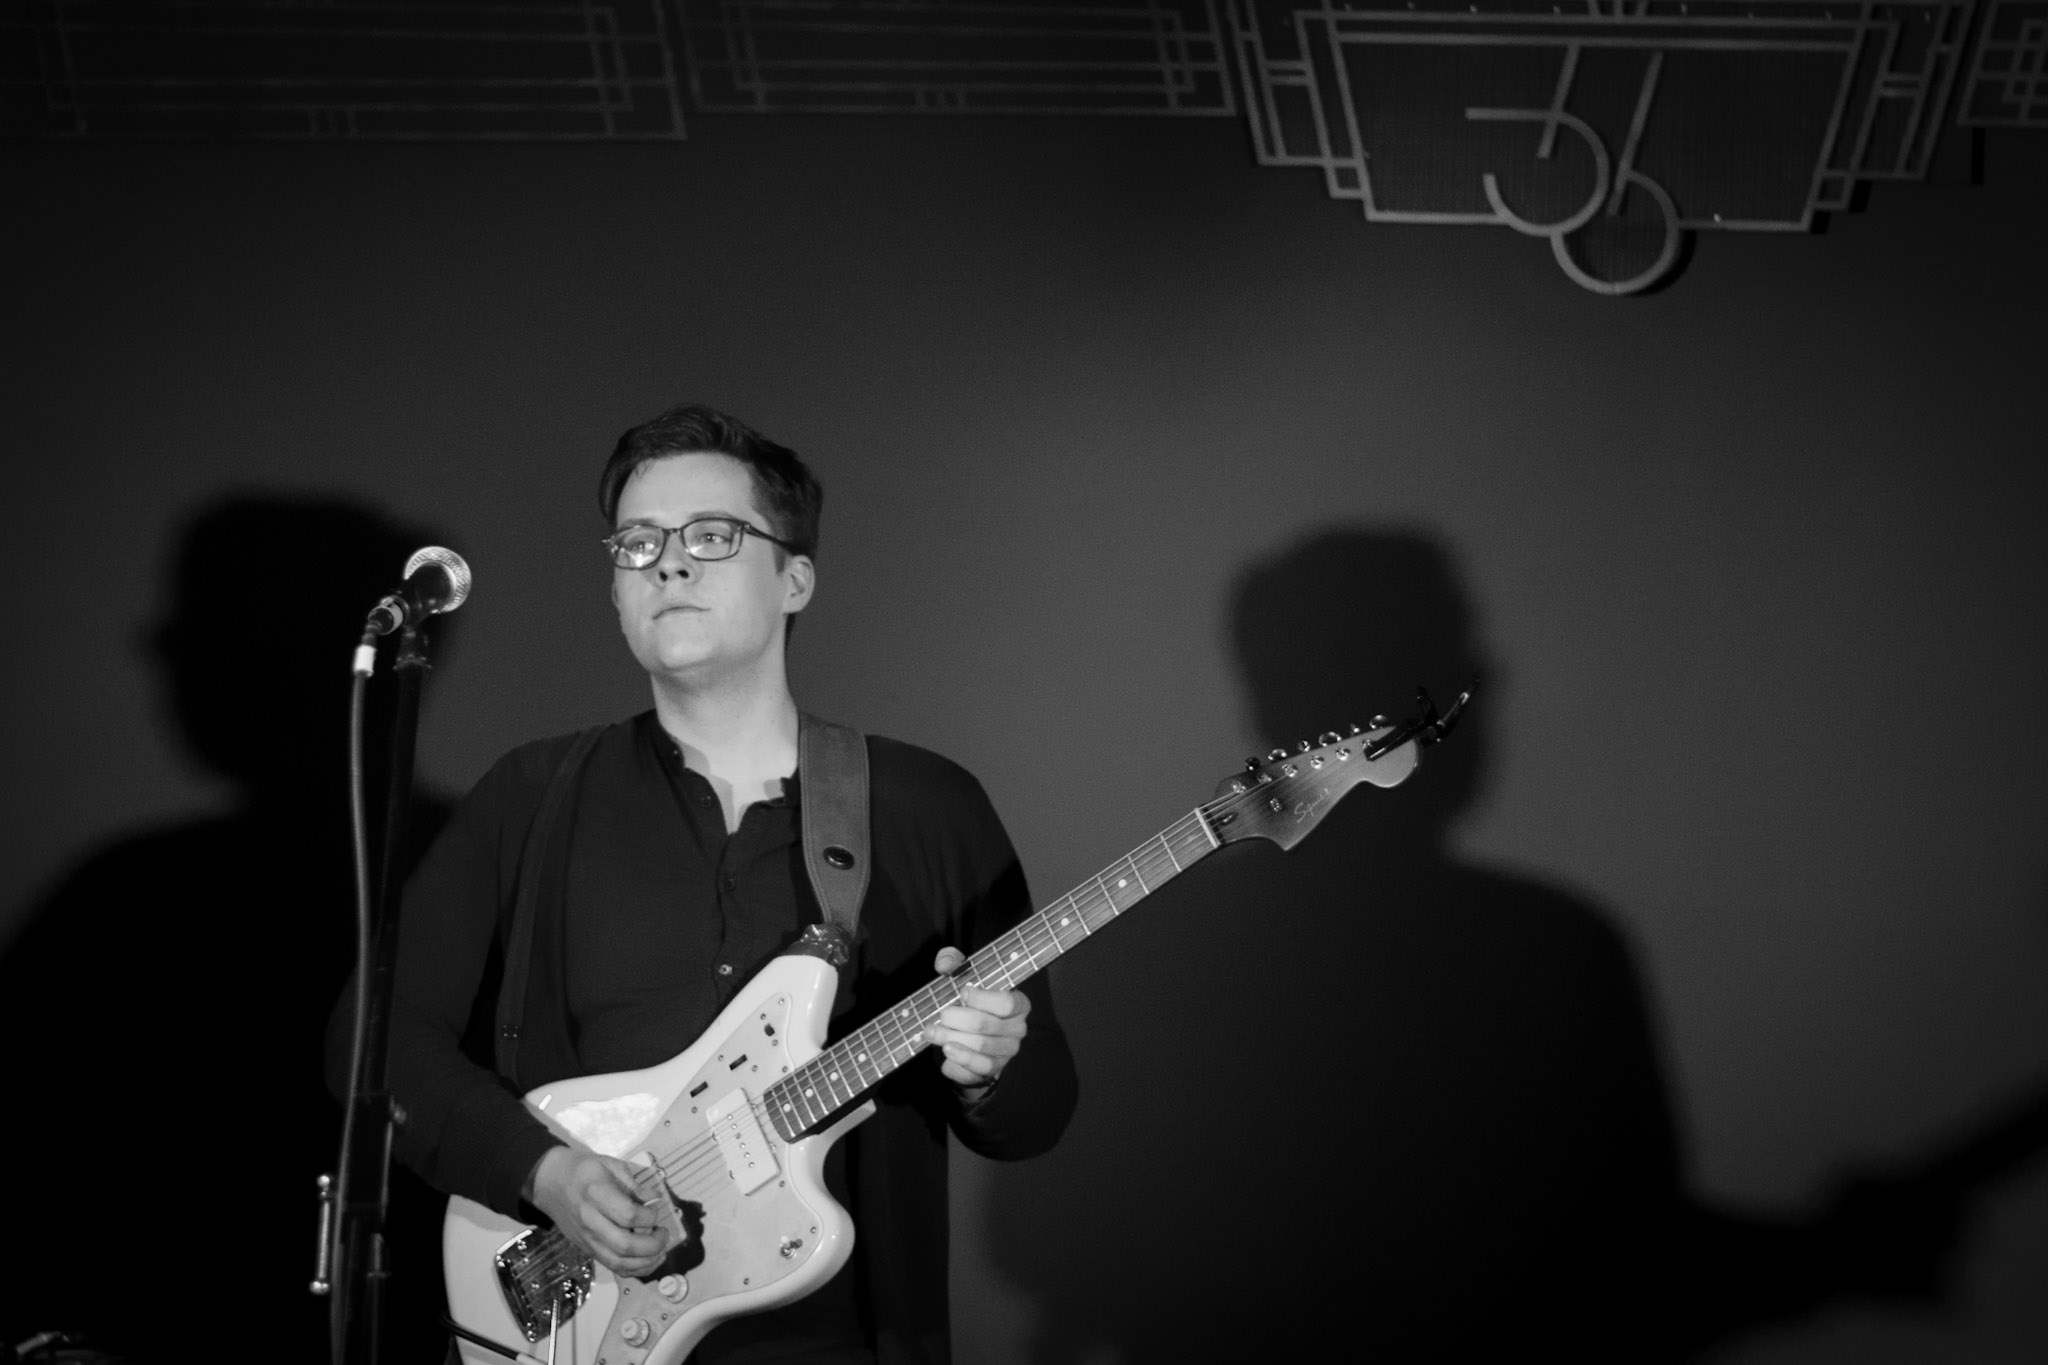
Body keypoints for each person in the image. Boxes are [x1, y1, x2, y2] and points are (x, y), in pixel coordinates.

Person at [334, 403, 1077, 1364]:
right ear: (615, 591)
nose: (669, 565)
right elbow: (372, 1036)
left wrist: (992, 1066)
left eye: (712, 536)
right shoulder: (532, 794)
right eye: (638, 543)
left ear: (795, 578)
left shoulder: (928, 806)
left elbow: (1038, 1112)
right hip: (585, 1332)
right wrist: (543, 1170)